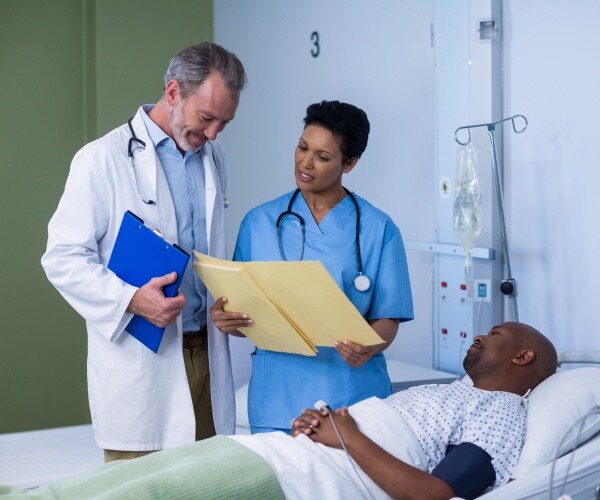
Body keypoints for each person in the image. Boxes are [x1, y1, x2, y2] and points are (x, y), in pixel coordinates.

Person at [0, 322, 558, 500]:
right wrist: (320, 424)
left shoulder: (505, 412)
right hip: (283, 452)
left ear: (523, 356)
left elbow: (437, 495)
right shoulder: (451, 391)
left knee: (145, 495)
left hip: (306, 478)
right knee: (118, 481)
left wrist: (346, 438)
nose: (480, 337)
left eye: (496, 334)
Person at [41, 42, 247, 461]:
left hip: (207, 357)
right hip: (143, 364)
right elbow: (62, 257)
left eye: (224, 123)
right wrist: (132, 299)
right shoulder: (102, 159)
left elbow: (206, 253)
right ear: (173, 93)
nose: (212, 134)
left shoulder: (213, 157)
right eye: (206, 118)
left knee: (210, 484)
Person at [211, 100, 414, 434]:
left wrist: (370, 346)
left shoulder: (379, 228)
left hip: (352, 397)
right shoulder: (259, 222)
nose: (305, 163)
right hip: (277, 397)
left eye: (322, 157)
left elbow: (388, 317)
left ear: (349, 163)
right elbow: (240, 314)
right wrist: (224, 320)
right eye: (302, 148)